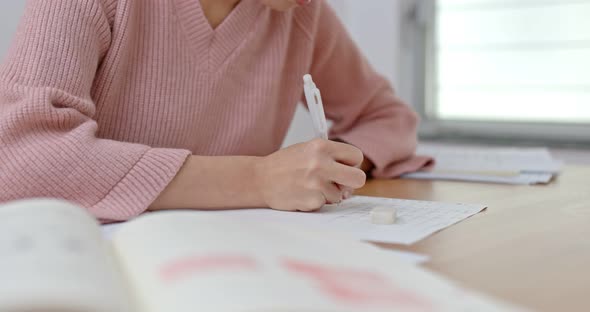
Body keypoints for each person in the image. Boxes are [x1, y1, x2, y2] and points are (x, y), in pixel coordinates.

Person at [0, 0, 431, 222]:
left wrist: (332, 165)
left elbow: (387, 118)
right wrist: (258, 180)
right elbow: (21, 158)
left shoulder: (300, 14)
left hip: (234, 263)